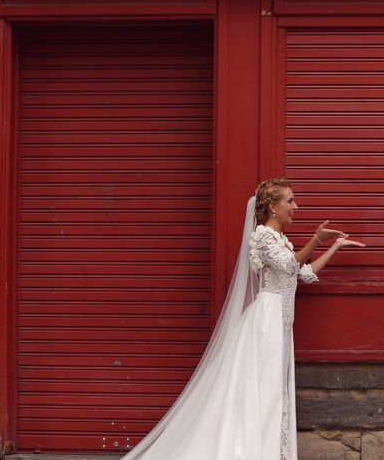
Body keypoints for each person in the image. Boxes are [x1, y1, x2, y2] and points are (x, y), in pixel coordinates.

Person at [122, 178, 365, 460]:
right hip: (267, 320)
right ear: (273, 207)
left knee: (274, 389)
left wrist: (335, 246)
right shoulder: (261, 236)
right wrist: (315, 239)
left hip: (282, 321)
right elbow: (289, 264)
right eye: (290, 201)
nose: (295, 206)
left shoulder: (281, 240)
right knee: (265, 389)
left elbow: (303, 274)